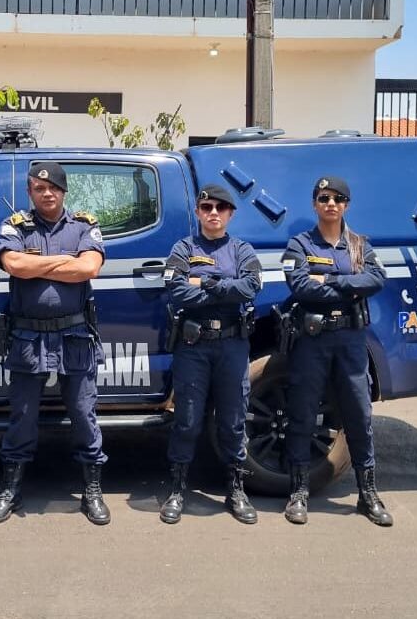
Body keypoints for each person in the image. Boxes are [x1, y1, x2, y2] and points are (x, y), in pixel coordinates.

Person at [0, 162, 110, 526]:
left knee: (83, 414)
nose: (47, 193)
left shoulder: (84, 225)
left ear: (63, 191)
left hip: (75, 335)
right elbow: (15, 265)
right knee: (22, 416)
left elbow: (88, 268)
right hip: (28, 336)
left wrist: (37, 263)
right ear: (30, 192)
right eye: (39, 189)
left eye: (53, 188)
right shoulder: (15, 226)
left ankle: (92, 490)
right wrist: (63, 261)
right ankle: (11, 490)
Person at [280, 175, 392, 527]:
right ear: (315, 204)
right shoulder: (299, 244)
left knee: (359, 415)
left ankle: (367, 493)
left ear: (346, 205)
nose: (331, 204)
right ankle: (298, 492)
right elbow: (300, 287)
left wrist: (328, 280)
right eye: (324, 198)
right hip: (311, 341)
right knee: (302, 414)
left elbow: (376, 279)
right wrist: (349, 286)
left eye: (338, 199)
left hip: (350, 341)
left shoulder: (359, 245)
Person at [159, 184, 263, 525]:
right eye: (207, 207)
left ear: (230, 213)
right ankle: (178, 490)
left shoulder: (242, 249)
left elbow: (251, 287)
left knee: (233, 421)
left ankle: (236, 490)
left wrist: (205, 283)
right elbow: (177, 292)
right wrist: (224, 289)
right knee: (187, 420)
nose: (213, 213)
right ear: (198, 212)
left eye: (220, 207)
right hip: (193, 347)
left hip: (232, 345)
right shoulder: (184, 248)